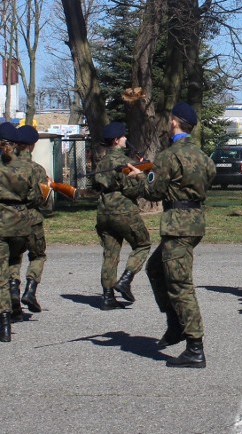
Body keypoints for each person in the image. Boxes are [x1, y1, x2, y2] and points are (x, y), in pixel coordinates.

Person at [126, 102, 216, 368]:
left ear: (175, 122)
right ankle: (175, 322)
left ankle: (195, 346)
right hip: (195, 222)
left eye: (169, 120)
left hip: (178, 225)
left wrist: (138, 178)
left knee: (180, 285)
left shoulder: (168, 156)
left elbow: (154, 193)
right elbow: (208, 178)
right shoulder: (203, 156)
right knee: (155, 268)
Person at [0, 122, 45, 341]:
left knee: (0, 274)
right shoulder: (28, 168)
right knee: (15, 260)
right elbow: (36, 197)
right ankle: (18, 296)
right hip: (20, 226)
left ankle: (4, 322)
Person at [92, 122, 152, 310]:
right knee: (143, 244)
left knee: (110, 253)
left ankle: (107, 297)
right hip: (123, 210)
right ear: (117, 141)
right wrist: (142, 175)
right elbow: (134, 191)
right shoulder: (125, 163)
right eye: (123, 137)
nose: (126, 139)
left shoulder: (101, 162)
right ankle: (126, 279)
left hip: (103, 211)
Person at [9, 125, 48, 315]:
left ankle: (13, 290)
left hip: (9, 219)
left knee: (13, 257)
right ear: (32, 146)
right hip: (32, 219)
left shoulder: (5, 166)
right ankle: (30, 289)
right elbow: (42, 199)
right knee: (38, 255)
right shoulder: (37, 170)